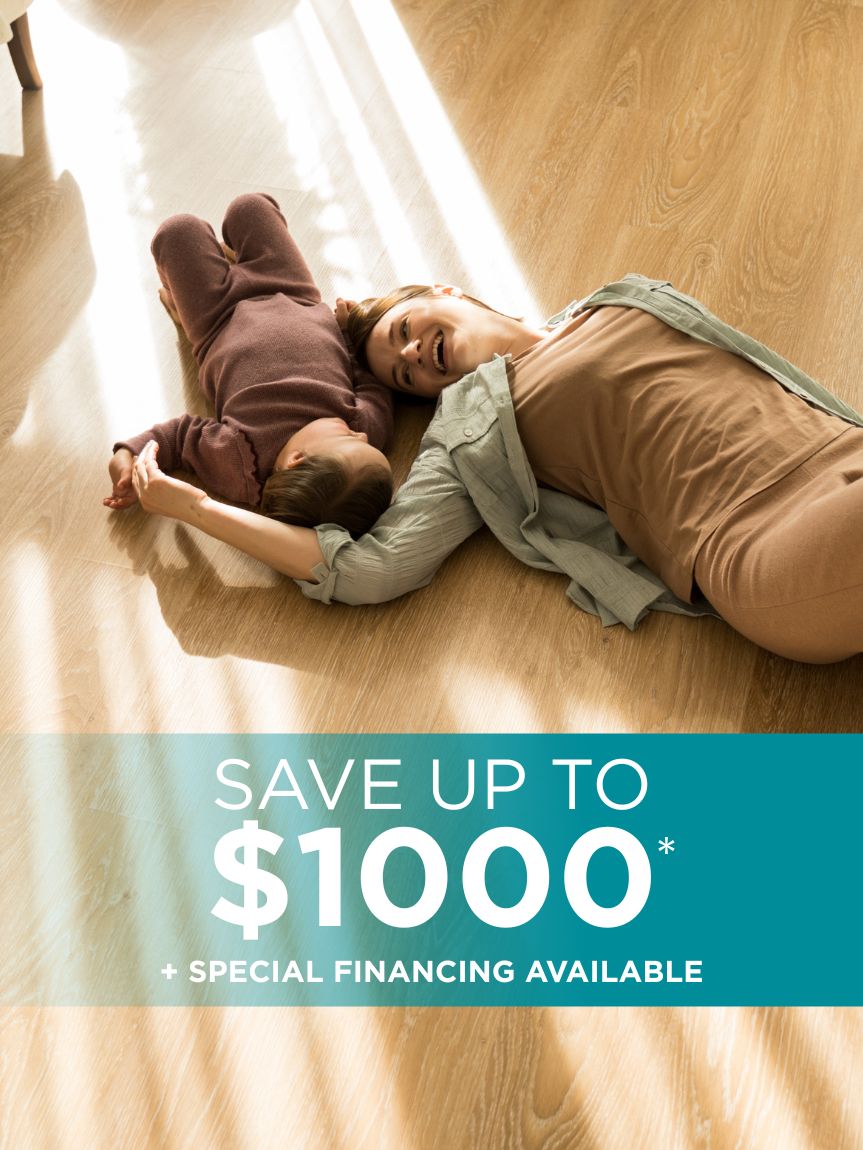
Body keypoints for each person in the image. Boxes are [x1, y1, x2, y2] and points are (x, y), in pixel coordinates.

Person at [128, 274, 863, 664]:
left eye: (405, 333)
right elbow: (370, 568)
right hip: (762, 544)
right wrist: (191, 507)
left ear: (444, 291)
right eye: (406, 377)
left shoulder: (612, 301)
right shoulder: (474, 424)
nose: (413, 358)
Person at [103, 193, 394, 537]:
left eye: (351, 438)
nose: (363, 433)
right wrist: (347, 334)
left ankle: (190, 303)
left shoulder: (239, 462)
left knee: (177, 232)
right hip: (293, 292)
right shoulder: (364, 429)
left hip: (216, 319)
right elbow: (371, 380)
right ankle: (226, 264)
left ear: (296, 459)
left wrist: (130, 455)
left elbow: (178, 438)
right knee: (251, 208)